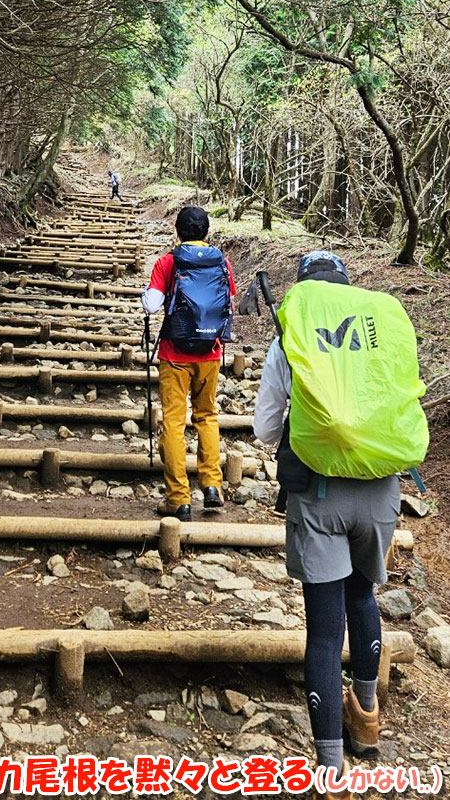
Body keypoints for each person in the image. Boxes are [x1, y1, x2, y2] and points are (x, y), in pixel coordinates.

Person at [253, 250, 428, 795]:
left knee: (325, 633)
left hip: (320, 491)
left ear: (307, 293)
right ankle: (368, 717)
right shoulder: (379, 333)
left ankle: (330, 768)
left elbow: (262, 427)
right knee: (364, 598)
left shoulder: (293, 335)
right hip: (381, 489)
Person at [141, 206, 236, 521]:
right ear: (206, 232)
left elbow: (153, 306)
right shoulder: (221, 262)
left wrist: (147, 294)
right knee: (207, 416)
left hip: (174, 354)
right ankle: (212, 487)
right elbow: (228, 303)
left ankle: (178, 499)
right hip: (210, 352)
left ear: (178, 231)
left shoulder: (168, 262)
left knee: (174, 422)